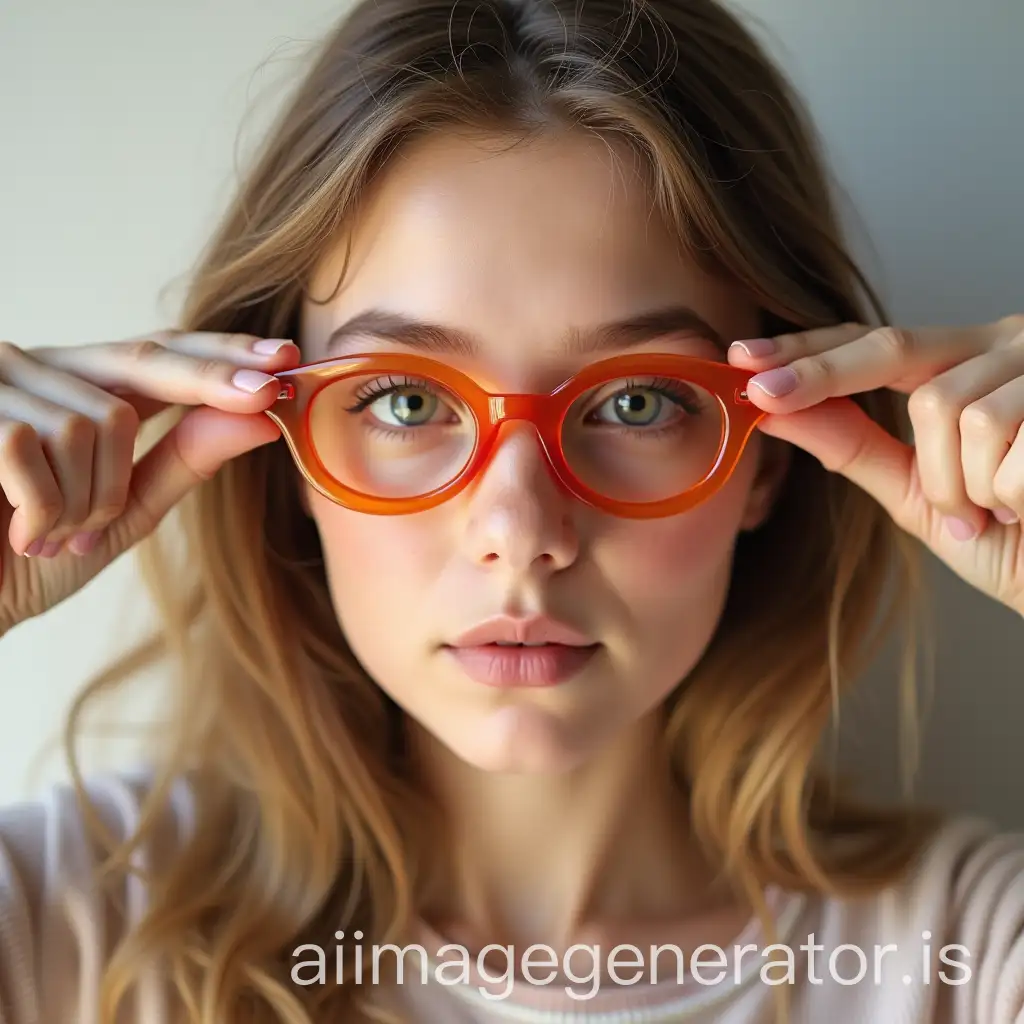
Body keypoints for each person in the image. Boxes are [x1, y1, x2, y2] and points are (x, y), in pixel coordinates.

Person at [0, 0, 1021, 1021]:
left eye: (636, 401)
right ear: (283, 456)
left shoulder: (967, 957)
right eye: (405, 400)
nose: (521, 529)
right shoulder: (69, 921)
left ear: (772, 462)